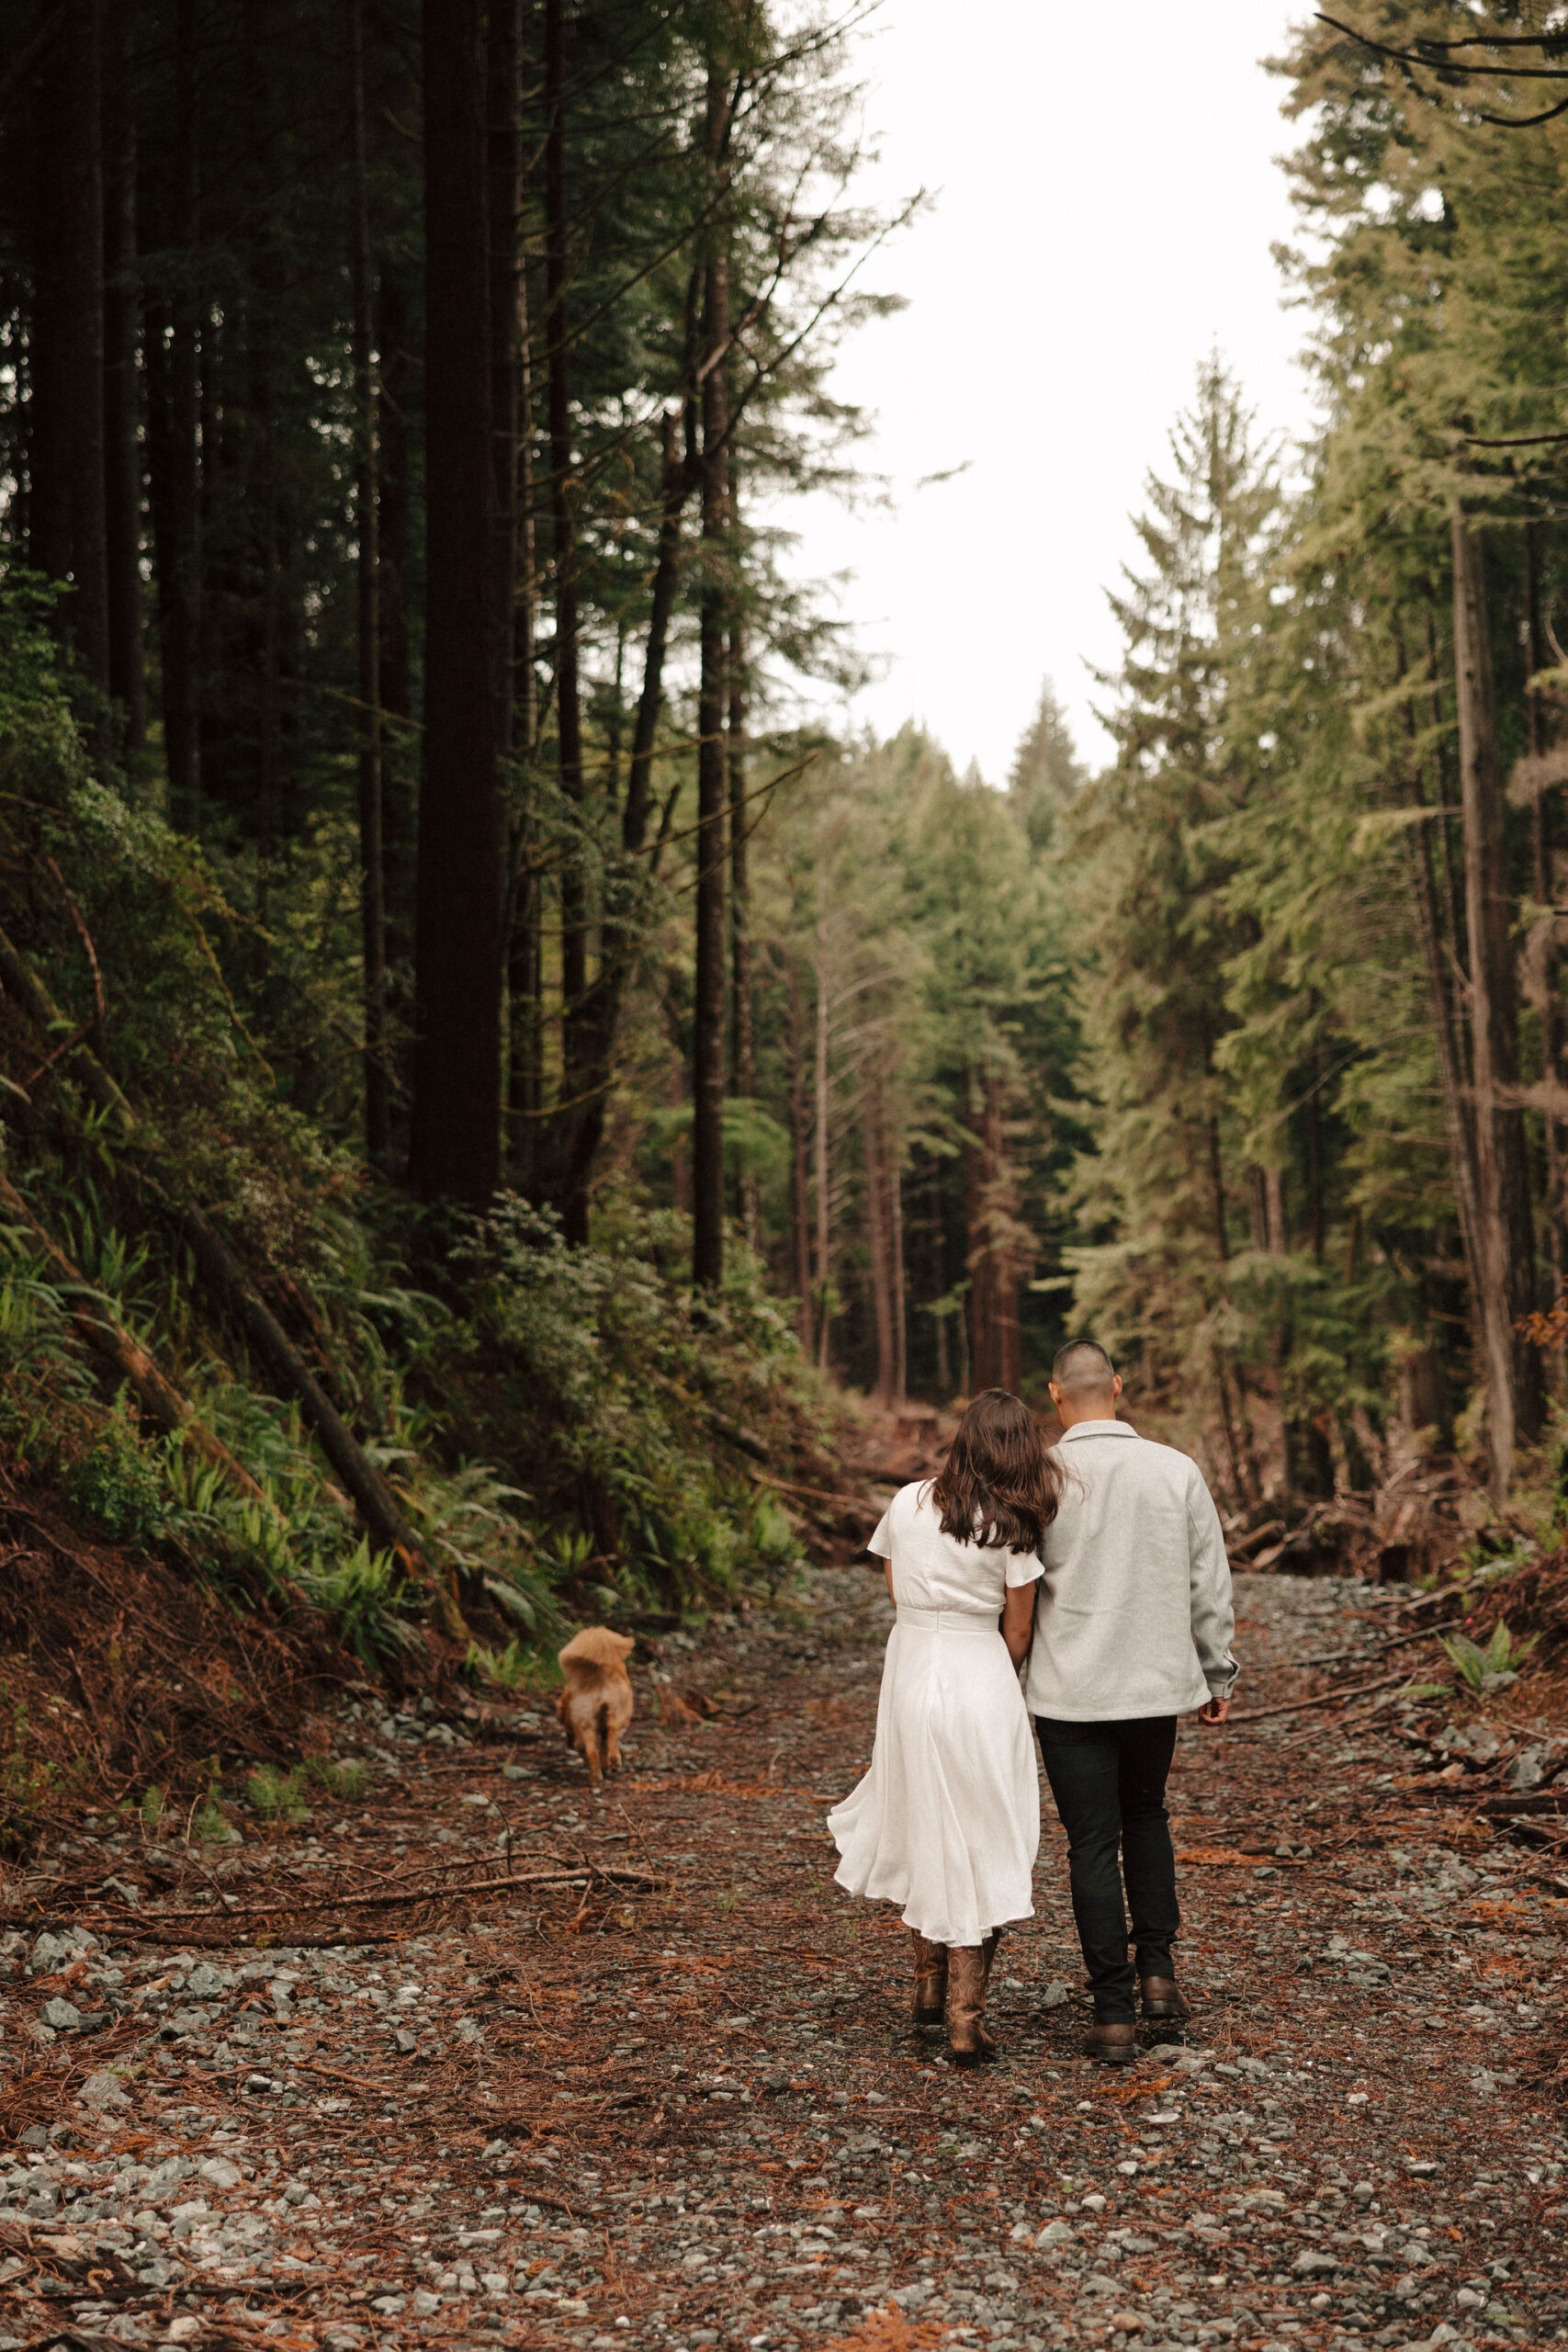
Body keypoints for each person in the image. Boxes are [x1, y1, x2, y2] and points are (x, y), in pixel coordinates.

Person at [829, 1388, 1059, 2066]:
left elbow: (896, 1588)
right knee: (985, 1828)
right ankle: (966, 2018)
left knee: (921, 1814)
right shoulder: (1012, 1523)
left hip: (908, 1668)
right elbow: (1018, 1626)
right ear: (1017, 1451)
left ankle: (926, 1993)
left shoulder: (906, 1502)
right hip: (977, 1666)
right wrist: (995, 1673)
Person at [1026, 1339, 1238, 2065]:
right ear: (1117, 1386)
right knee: (1146, 1816)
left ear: (1055, 1395)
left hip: (1066, 1690)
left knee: (1090, 1841)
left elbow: (1013, 1586)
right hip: (1151, 1686)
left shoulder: (1039, 1476)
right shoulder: (1174, 1470)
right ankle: (1157, 1977)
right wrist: (1217, 1673)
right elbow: (1207, 1582)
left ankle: (1111, 2012)